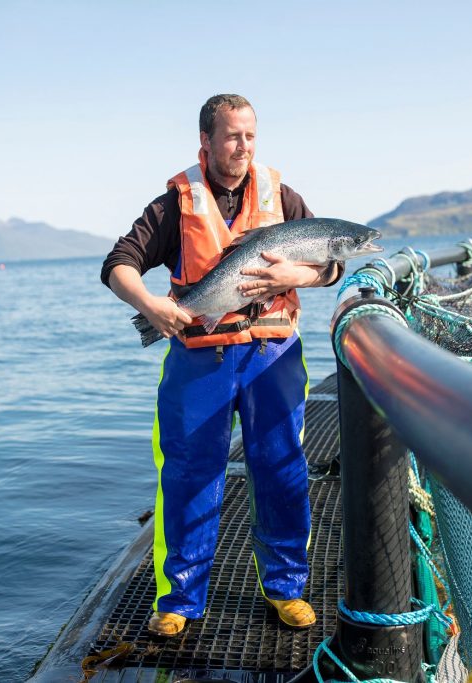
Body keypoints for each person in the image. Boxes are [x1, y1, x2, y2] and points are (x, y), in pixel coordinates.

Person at [100, 94, 341, 637]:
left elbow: (332, 265)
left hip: (272, 358)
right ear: (205, 143)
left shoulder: (282, 197)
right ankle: (179, 600)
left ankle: (286, 589)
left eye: (251, 136)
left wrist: (294, 279)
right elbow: (118, 265)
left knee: (282, 471)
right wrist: (151, 306)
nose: (243, 146)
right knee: (187, 475)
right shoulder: (173, 206)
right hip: (198, 361)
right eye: (232, 136)